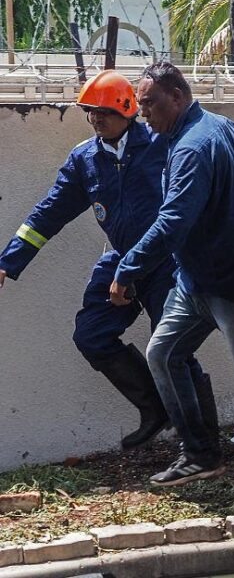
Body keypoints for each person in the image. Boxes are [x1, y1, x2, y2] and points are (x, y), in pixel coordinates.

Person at [109, 61, 234, 501]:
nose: (144, 115)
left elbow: (173, 221)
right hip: (195, 281)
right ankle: (200, 453)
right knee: (162, 354)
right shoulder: (211, 126)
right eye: (139, 107)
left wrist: (127, 270)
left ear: (177, 97)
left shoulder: (194, 147)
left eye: (151, 104)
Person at [0, 70, 215, 451]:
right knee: (92, 335)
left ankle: (202, 442)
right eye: (90, 112)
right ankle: (155, 408)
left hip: (166, 261)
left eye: (104, 112)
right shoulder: (86, 159)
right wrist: (8, 261)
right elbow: (48, 213)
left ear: (129, 110)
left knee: (174, 350)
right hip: (120, 260)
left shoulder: (162, 143)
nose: (96, 119)